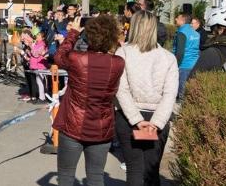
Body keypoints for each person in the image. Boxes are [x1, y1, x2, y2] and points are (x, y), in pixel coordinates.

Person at [52, 16, 124, 186]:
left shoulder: (77, 59)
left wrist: (73, 33)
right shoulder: (118, 63)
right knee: (96, 176)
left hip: (73, 125)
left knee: (66, 176)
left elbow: (59, 56)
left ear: (89, 36)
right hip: (101, 127)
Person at [114, 11, 178, 186]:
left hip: (128, 117)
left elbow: (121, 90)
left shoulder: (123, 52)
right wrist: (157, 122)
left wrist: (136, 119)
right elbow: (170, 94)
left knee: (134, 170)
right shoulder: (168, 57)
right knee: (151, 171)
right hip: (158, 118)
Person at [171, 12, 199, 99]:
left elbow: (180, 52)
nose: (175, 19)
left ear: (183, 20)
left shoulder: (181, 33)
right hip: (194, 63)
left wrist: (175, 66)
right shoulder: (196, 33)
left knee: (181, 93)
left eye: (177, 18)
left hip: (183, 64)